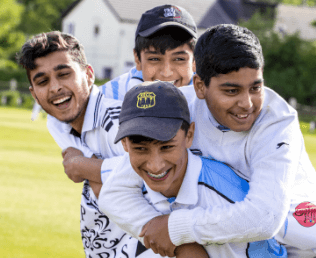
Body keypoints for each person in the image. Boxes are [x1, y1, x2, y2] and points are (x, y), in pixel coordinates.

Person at [99, 24, 316, 258]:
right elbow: (114, 192)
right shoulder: (179, 108)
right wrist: (171, 237)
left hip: (306, 241)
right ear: (200, 86)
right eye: (231, 90)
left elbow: (265, 218)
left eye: (255, 88)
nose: (246, 104)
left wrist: (175, 229)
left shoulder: (276, 120)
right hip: (233, 240)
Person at [16, 31, 201, 258]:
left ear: (89, 75)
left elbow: (159, 186)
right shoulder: (57, 123)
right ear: (34, 94)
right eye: (43, 81)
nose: (55, 88)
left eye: (64, 74)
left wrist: (88, 168)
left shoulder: (117, 122)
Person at [110, 80, 288, 257]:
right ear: (125, 144)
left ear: (189, 135)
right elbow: (111, 195)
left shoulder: (230, 198)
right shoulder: (132, 187)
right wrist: (181, 246)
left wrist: (175, 231)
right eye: (140, 149)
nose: (155, 166)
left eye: (167, 147)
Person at [46, 4, 198, 193]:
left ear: (194, 61)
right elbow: (59, 119)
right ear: (137, 59)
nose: (166, 72)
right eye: (154, 59)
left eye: (179, 59)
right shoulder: (112, 95)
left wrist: (90, 168)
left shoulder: (209, 97)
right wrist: (82, 159)